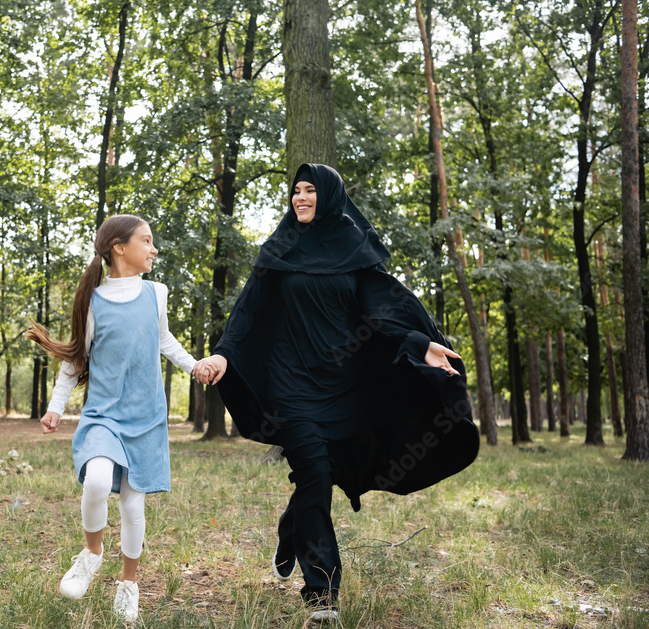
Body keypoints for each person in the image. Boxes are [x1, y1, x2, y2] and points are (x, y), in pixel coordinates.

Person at [195, 164, 480, 623]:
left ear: (328, 196)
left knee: (318, 478)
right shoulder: (279, 249)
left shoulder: (352, 246)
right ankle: (322, 595)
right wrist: (223, 356)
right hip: (289, 386)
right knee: (314, 469)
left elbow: (383, 311)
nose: (301, 198)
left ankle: (292, 528)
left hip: (342, 385)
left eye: (310, 190)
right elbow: (248, 311)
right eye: (295, 191)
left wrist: (419, 344)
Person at [28, 214, 201, 623]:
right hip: (104, 415)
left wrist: (194, 366)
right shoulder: (93, 301)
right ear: (120, 248)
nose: (153, 248)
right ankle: (91, 553)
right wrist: (56, 407)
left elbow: (163, 340)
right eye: (147, 240)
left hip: (146, 417)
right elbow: (74, 361)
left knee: (131, 507)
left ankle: (128, 584)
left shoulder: (156, 293)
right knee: (98, 481)